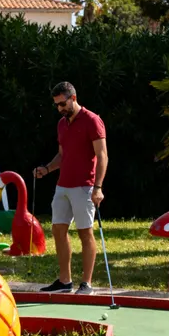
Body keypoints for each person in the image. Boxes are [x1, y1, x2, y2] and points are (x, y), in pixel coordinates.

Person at [32, 82, 108, 295]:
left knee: (85, 233)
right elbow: (62, 154)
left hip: (84, 186)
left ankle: (87, 284)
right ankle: (65, 281)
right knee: (58, 230)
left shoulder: (92, 120)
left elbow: (102, 155)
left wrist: (98, 187)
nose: (60, 108)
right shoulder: (62, 124)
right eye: (57, 105)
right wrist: (47, 169)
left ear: (73, 98)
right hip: (62, 186)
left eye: (62, 104)